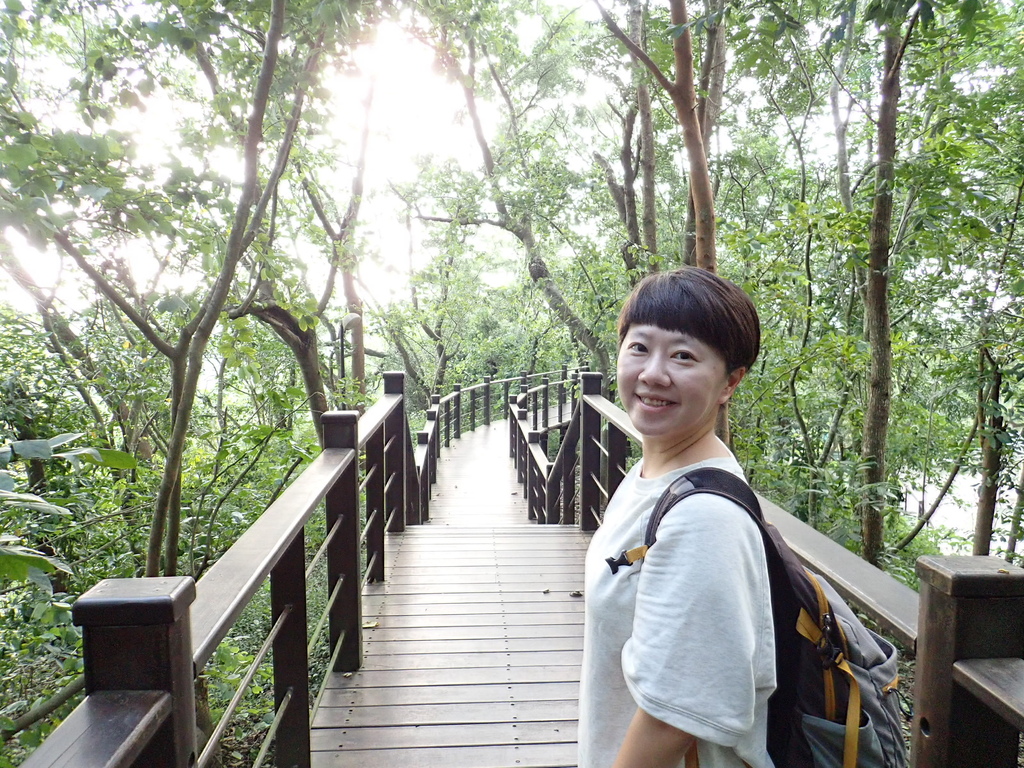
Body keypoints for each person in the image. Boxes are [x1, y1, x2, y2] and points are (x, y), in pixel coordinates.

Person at [578, 267, 774, 768]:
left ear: (730, 382)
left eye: (683, 355)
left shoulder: (705, 518)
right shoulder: (651, 475)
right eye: (639, 347)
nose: (653, 373)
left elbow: (674, 717)